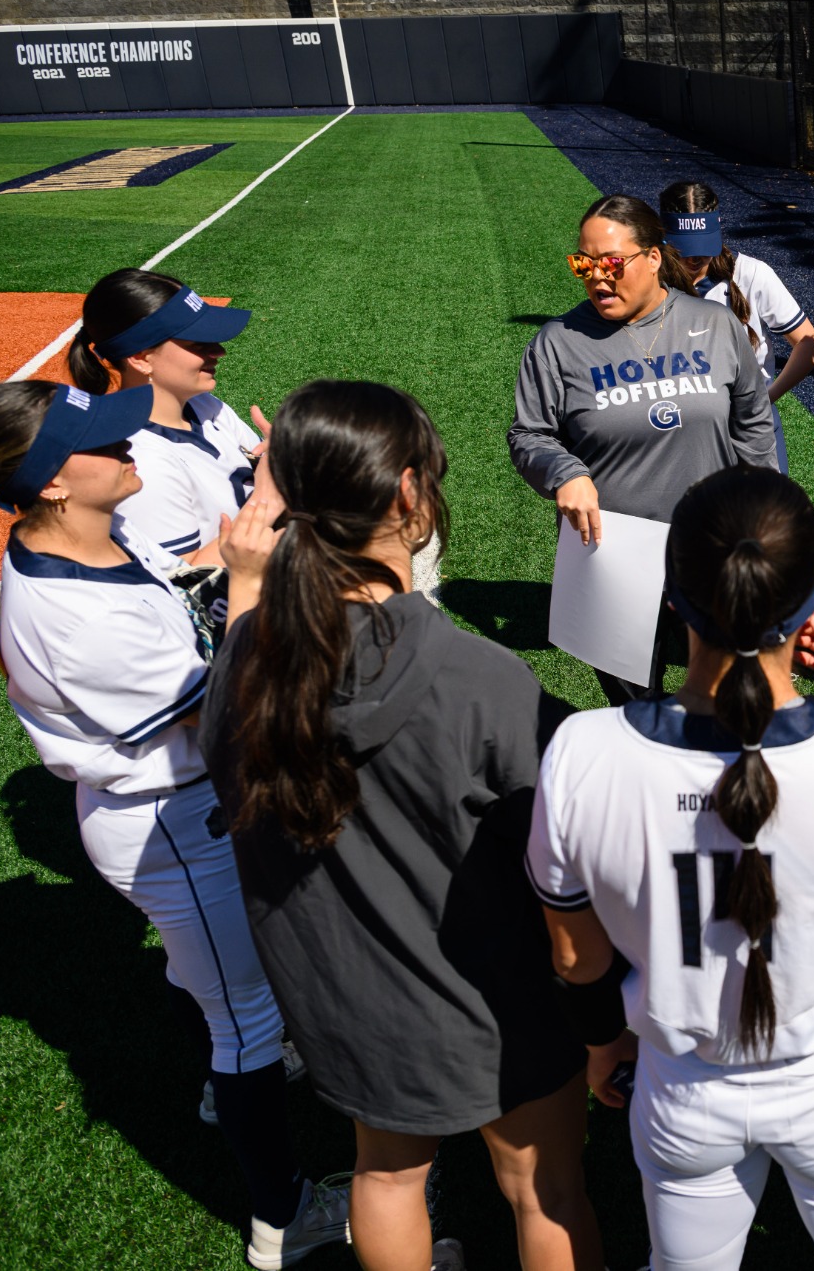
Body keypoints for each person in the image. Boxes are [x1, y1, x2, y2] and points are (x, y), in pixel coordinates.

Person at [0, 380, 345, 1270]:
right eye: (105, 443)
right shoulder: (71, 615)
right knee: (247, 1023)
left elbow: (185, 579)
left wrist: (264, 505)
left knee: (217, 988)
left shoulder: (91, 532)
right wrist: (251, 581)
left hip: (185, 805)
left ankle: (221, 1084)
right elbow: (226, 701)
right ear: (53, 482)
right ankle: (283, 1220)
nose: (129, 446)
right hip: (176, 822)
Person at [528, 465, 814, 1271]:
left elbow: (573, 953)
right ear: (811, 604)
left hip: (682, 1086)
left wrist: (601, 1043)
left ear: (672, 598)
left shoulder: (582, 753)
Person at [205, 380, 598, 1271]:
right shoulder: (481, 678)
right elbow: (568, 842)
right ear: (408, 494)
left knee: (385, 1175)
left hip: (349, 1004)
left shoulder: (246, 658)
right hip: (498, 1001)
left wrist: (243, 577)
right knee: (546, 1191)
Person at [509, 193, 778, 704]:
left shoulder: (716, 324)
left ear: (653, 258)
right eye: (583, 264)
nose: (597, 277)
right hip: (611, 553)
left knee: (732, 697)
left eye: (611, 263)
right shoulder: (557, 343)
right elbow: (528, 434)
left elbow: (753, 424)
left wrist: (765, 514)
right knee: (636, 712)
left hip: (713, 543)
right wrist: (564, 472)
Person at [68, 268, 271, 564]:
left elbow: (264, 469)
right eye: (197, 343)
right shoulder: (136, 462)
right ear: (141, 358)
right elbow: (185, 577)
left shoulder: (204, 405)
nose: (218, 352)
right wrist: (269, 499)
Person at [658, 181, 814, 473]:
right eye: (684, 248)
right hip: (680, 432)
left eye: (703, 245)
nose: (694, 258)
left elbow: (809, 344)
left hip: (750, 428)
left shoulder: (751, 273)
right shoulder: (648, 282)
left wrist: (764, 399)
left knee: (765, 504)